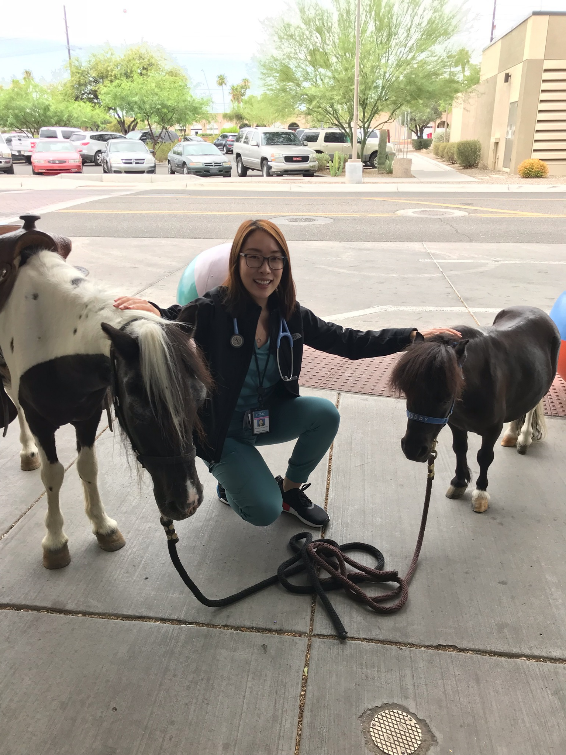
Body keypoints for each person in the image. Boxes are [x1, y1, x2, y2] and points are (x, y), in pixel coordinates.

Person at [114, 219, 461, 529]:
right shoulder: (214, 309)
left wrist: (413, 336)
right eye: (253, 256)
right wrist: (154, 311)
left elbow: (348, 341)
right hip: (222, 431)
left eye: (274, 258)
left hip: (266, 416)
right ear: (237, 261)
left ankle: (290, 491)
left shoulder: (290, 314)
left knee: (324, 414)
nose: (264, 268)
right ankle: (232, 482)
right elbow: (177, 318)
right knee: (263, 512)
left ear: (284, 265)